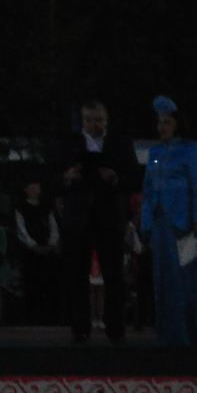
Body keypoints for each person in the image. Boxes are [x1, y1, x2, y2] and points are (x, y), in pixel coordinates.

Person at [140, 96, 197, 348]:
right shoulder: (154, 152)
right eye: (159, 122)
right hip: (161, 223)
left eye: (167, 122)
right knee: (163, 280)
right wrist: (147, 222)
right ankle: (170, 335)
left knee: (188, 278)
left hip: (183, 223)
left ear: (177, 123)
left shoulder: (192, 150)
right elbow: (148, 188)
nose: (162, 127)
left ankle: (195, 334)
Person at [57, 98, 134, 344]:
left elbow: (133, 176)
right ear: (82, 121)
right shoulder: (68, 144)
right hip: (78, 218)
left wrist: (115, 178)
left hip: (109, 217)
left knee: (113, 274)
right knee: (77, 274)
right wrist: (67, 177)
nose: (94, 125)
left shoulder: (120, 143)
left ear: (107, 119)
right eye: (89, 120)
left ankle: (115, 327)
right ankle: (80, 327)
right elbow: (51, 177)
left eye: (99, 120)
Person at [11, 178, 61, 325]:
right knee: (32, 284)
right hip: (31, 253)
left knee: (49, 284)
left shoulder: (47, 206)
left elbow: (53, 226)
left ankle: (50, 316)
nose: (35, 189)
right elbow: (21, 230)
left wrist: (51, 243)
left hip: (47, 250)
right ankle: (32, 317)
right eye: (31, 186)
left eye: (37, 186)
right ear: (26, 189)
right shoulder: (20, 208)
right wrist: (33, 245)